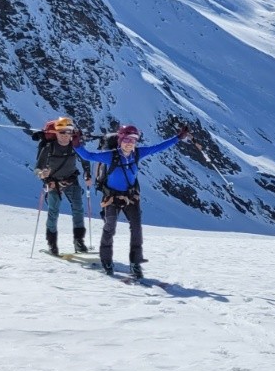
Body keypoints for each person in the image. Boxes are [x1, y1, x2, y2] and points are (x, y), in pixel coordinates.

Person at [74, 124, 185, 279]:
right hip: (112, 198)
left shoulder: (137, 154)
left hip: (131, 197)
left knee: (136, 229)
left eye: (133, 140)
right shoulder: (111, 155)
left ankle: (135, 263)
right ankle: (106, 260)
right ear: (120, 139)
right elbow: (88, 156)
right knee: (109, 228)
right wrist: (76, 144)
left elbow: (159, 147)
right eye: (126, 139)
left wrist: (178, 137)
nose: (129, 143)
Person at [31, 116, 90, 256]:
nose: (65, 135)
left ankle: (79, 241)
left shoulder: (75, 147)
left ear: (72, 134)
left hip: (71, 180)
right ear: (56, 132)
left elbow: (85, 159)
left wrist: (87, 173)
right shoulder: (48, 147)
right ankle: (52, 244)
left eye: (68, 132)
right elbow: (37, 168)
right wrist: (42, 174)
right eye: (62, 132)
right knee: (53, 212)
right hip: (53, 183)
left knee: (78, 209)